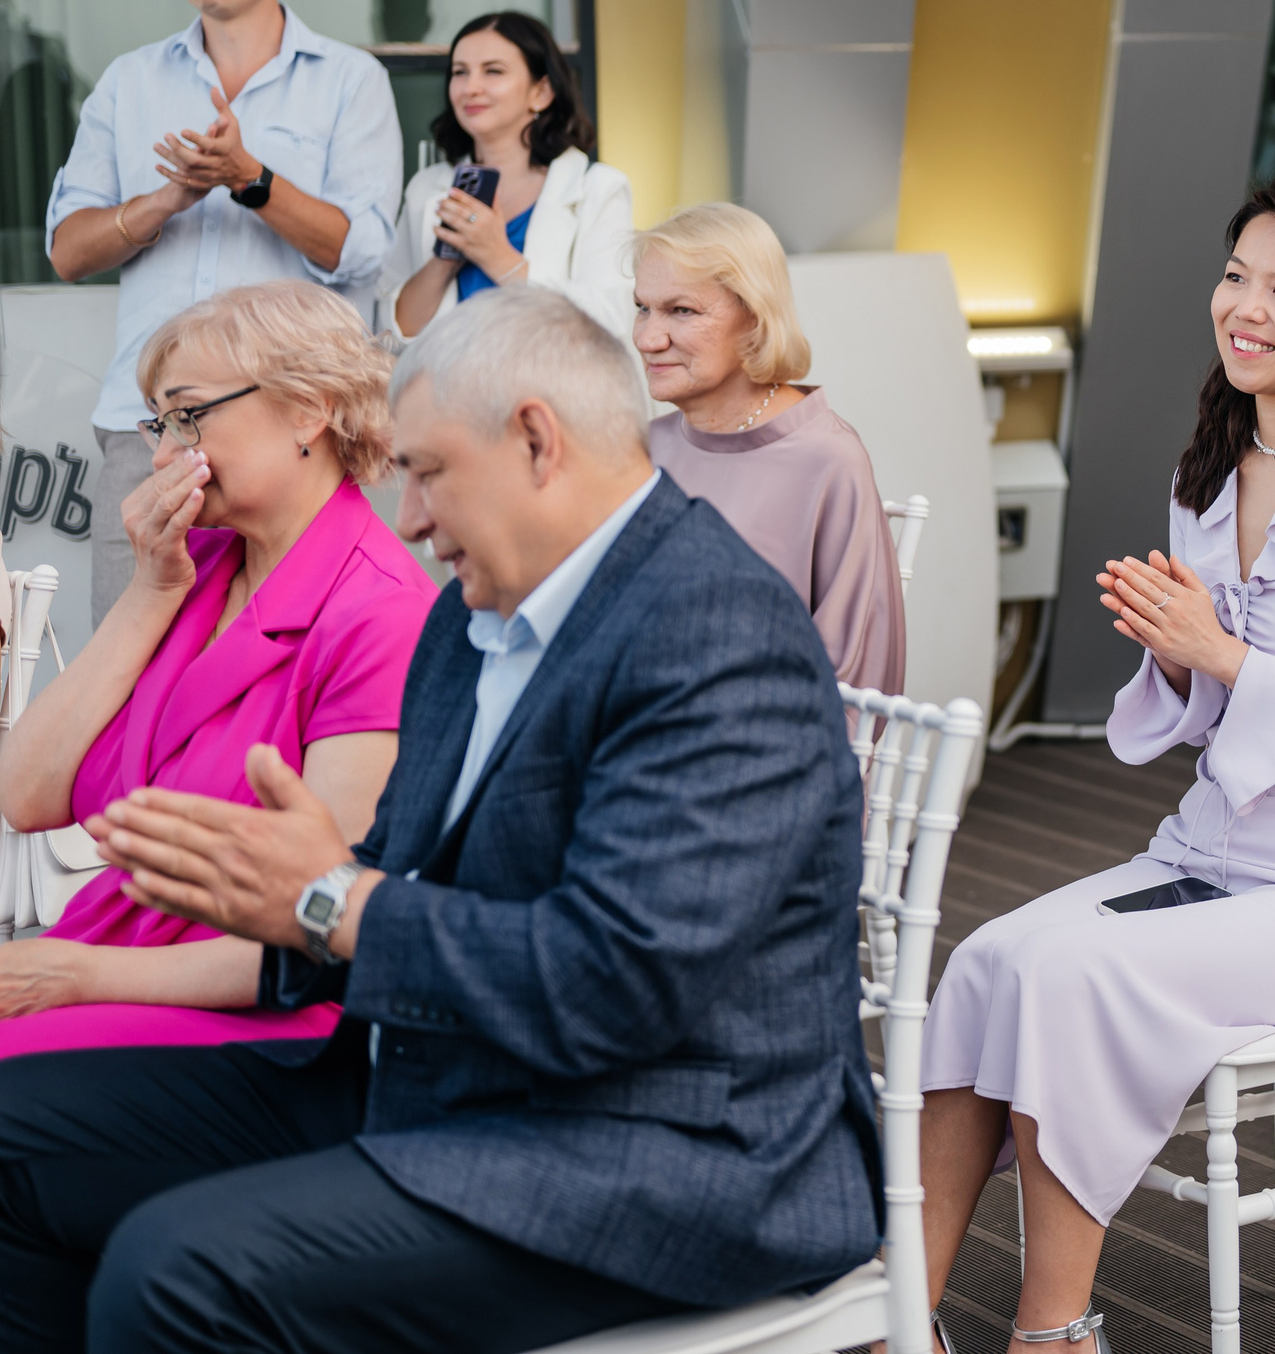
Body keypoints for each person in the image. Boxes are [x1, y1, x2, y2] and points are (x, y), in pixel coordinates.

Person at [0, 288, 880, 1352]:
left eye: (426, 471)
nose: (407, 516)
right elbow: (380, 875)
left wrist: (323, 897)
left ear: (536, 440)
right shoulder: (475, 624)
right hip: (438, 1076)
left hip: (661, 1150)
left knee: (172, 1272)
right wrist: (284, 895)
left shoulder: (714, 627)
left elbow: (616, 980)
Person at [915, 176, 1275, 1346]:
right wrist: (1176, 658)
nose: (1245, 308)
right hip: (1208, 853)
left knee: (1067, 982)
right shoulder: (1205, 473)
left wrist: (1223, 649)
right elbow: (1206, 720)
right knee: (983, 961)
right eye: (1234, 278)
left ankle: (1049, 1332)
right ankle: (894, 1322)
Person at [0, 281, 437, 1057]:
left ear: (310, 408)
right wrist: (148, 590)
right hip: (103, 960)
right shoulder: (188, 569)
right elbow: (25, 794)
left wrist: (76, 975)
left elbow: (320, 931)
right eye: (160, 423)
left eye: (189, 417)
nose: (164, 455)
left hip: (252, 1020)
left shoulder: (379, 614)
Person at [42, 0, 401, 629]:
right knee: (126, 672)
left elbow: (363, 249)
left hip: (298, 430)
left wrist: (251, 178)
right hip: (155, 435)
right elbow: (68, 251)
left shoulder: (350, 81)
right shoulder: (128, 82)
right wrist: (168, 198)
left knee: (289, 668)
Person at [636, 203, 904, 694]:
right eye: (642, 307)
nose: (648, 338)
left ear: (755, 317)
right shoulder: (643, 450)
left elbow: (855, 686)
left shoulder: (828, 460)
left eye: (682, 310)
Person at [385, 9, 633, 340]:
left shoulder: (598, 189)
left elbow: (612, 326)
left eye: (493, 71)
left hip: (549, 390)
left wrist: (497, 256)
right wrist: (446, 258)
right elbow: (391, 334)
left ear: (541, 93)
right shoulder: (425, 189)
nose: (470, 87)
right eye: (460, 72)